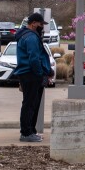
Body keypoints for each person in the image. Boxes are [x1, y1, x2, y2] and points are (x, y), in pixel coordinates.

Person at [13, 13, 54, 143]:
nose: (42, 27)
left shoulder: (27, 36)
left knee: (32, 104)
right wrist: (40, 73)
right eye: (41, 24)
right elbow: (34, 58)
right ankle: (26, 133)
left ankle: (31, 130)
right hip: (31, 74)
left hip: (28, 74)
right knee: (30, 104)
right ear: (33, 23)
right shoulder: (31, 37)